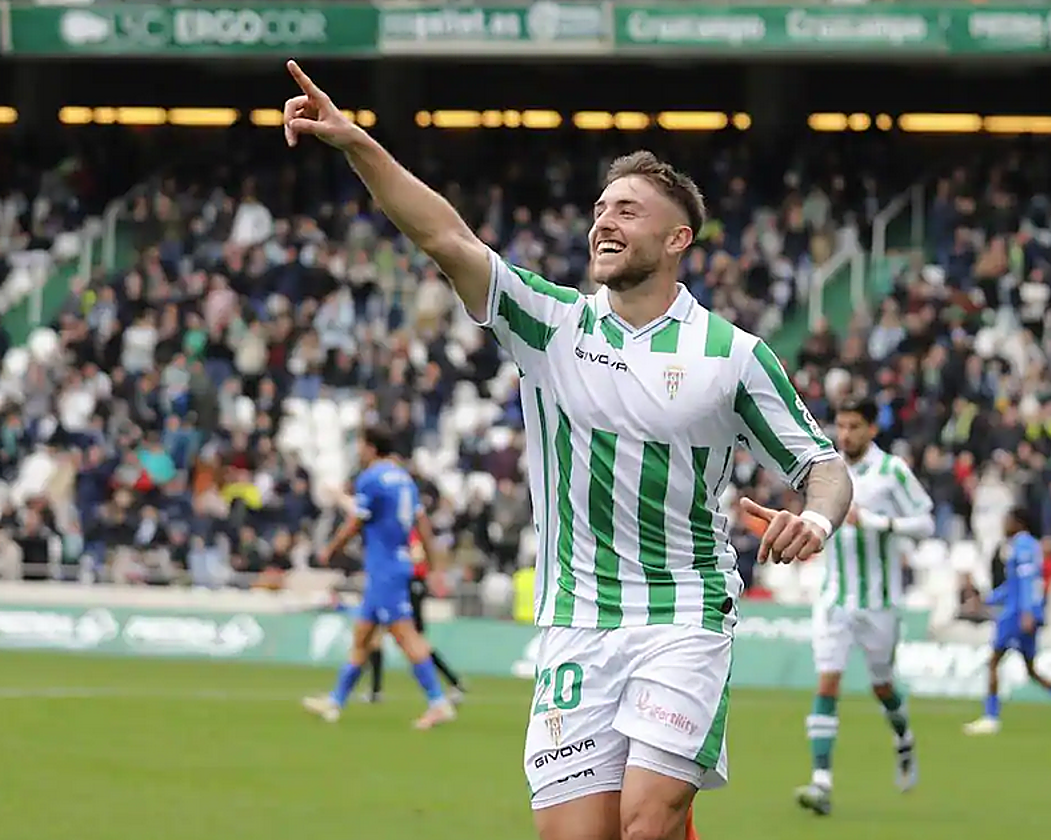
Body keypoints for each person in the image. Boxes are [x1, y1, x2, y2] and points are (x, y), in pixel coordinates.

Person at [282, 60, 853, 840]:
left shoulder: (734, 355)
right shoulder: (552, 325)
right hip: (576, 621)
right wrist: (356, 143)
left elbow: (822, 466)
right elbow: (444, 235)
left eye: (628, 209)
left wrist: (815, 523)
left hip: (682, 614)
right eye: (600, 208)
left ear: (678, 237)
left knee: (644, 824)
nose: (605, 221)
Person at [795, 398, 934, 817]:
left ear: (872, 429)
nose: (846, 434)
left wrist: (878, 522)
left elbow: (926, 522)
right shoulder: (827, 469)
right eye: (841, 425)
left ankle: (904, 737)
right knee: (827, 684)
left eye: (854, 426)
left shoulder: (892, 471)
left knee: (882, 685)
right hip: (835, 599)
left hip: (880, 603)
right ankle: (821, 782)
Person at [302, 426, 456, 730]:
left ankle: (438, 702)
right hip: (391, 566)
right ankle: (334, 702)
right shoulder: (405, 480)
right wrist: (434, 564)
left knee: (405, 637)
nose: (359, 451)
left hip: (385, 569)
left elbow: (356, 521)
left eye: (361, 445)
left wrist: (331, 549)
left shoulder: (371, 478)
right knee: (362, 637)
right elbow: (422, 525)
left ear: (372, 448)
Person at [962, 507, 1051, 736]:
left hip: (1016, 614)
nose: (1004, 525)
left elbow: (1026, 581)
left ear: (1019, 523)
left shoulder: (1021, 547)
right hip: (1026, 611)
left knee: (993, 662)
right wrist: (988, 600)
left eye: (1007, 521)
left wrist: (1027, 612)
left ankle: (991, 718)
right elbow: (1015, 585)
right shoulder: (1032, 547)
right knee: (1031, 669)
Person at [357, 528, 467, 704]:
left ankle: (452, 684)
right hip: (398, 585)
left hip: (409, 586)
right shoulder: (400, 527)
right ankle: (375, 690)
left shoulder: (406, 529)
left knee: (414, 641)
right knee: (377, 637)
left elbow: (418, 556)